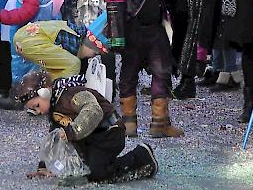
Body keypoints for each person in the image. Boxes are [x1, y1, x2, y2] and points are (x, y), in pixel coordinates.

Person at [105, 0, 183, 138]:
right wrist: (117, 38)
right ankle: (129, 123)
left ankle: (160, 122)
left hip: (154, 28)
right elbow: (114, 4)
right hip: (132, 29)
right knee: (128, 74)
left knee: (162, 72)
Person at [16, 70, 158, 184]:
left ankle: (142, 157)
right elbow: (55, 135)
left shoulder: (70, 94)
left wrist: (71, 131)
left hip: (108, 133)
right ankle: (92, 162)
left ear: (44, 92)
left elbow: (93, 111)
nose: (38, 111)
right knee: (83, 169)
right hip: (89, 136)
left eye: (37, 106)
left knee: (98, 173)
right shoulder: (54, 106)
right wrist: (44, 166)